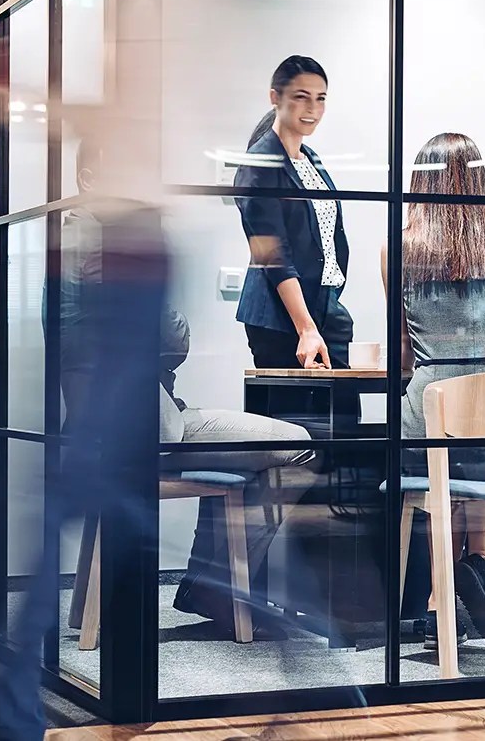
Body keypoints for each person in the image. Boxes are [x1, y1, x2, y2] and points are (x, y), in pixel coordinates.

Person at [63, 139, 316, 631]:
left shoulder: (73, 239)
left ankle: (211, 586)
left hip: (113, 424)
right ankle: (217, 587)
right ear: (90, 180)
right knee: (298, 445)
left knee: (243, 453)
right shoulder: (101, 243)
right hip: (150, 428)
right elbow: (173, 337)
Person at [381, 132, 485, 653]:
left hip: (433, 424)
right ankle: (480, 562)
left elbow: (404, 354)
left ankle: (436, 600)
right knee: (477, 438)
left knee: (442, 447)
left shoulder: (399, 247)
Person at [235, 55, 352, 371]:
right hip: (282, 317)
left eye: (320, 98)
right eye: (301, 97)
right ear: (275, 98)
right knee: (295, 417)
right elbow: (274, 255)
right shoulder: (259, 165)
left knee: (342, 414)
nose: (312, 108)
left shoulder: (311, 159)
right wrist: (306, 327)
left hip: (325, 305)